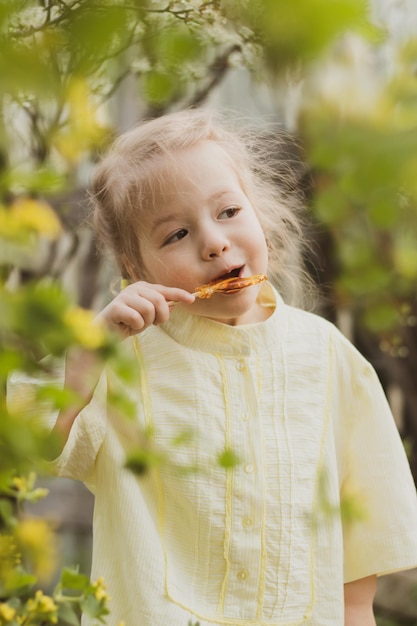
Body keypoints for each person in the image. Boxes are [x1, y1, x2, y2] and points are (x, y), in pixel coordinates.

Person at [18, 109, 417, 625]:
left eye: (228, 211)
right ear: (139, 272)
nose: (213, 241)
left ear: (261, 217)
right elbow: (32, 443)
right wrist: (85, 363)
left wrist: (356, 614)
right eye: (176, 234)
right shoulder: (119, 359)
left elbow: (363, 530)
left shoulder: (327, 355)